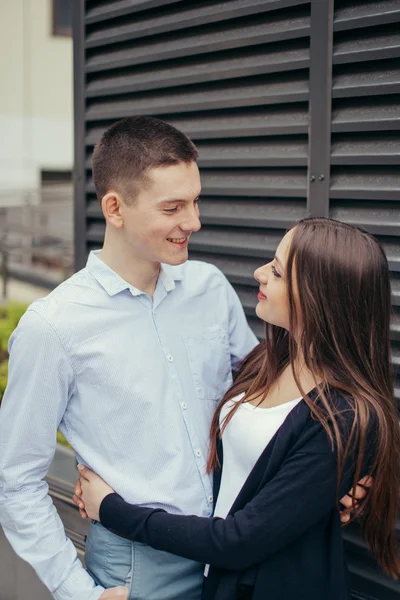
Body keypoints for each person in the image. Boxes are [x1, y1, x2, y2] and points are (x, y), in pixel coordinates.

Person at [0, 117, 362, 600]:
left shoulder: (210, 286)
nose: (193, 221)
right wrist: (76, 591)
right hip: (138, 567)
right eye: (173, 207)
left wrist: (346, 469)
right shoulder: (54, 327)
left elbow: (276, 396)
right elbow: (16, 483)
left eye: (195, 200)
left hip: (231, 550)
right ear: (115, 208)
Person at [74, 218, 400, 600]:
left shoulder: (344, 417)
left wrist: (111, 509)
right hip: (212, 579)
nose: (259, 273)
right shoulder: (270, 359)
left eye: (277, 271)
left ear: (319, 296)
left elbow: (237, 540)